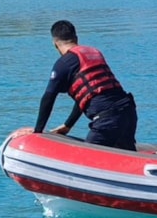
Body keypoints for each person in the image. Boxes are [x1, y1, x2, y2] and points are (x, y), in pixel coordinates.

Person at [33, 20, 137, 150]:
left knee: (88, 158)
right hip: (128, 111)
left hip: (107, 118)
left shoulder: (63, 64)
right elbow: (89, 94)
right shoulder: (94, 53)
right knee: (125, 156)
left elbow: (48, 98)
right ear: (76, 38)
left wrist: (37, 132)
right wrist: (68, 125)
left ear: (55, 43)